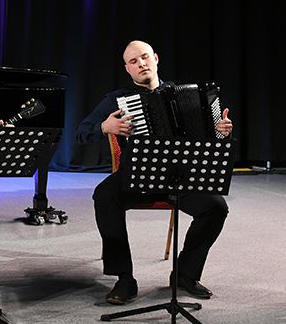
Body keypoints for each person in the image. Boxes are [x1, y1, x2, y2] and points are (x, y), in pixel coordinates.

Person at [76, 40, 233, 305]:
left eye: (144, 57)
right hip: (136, 176)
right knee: (104, 195)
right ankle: (124, 278)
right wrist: (105, 127)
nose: (141, 64)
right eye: (133, 61)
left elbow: (208, 136)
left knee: (216, 207)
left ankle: (184, 274)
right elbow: (81, 133)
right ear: (127, 69)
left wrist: (221, 131)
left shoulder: (182, 95)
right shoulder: (116, 99)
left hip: (179, 177)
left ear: (156, 59)